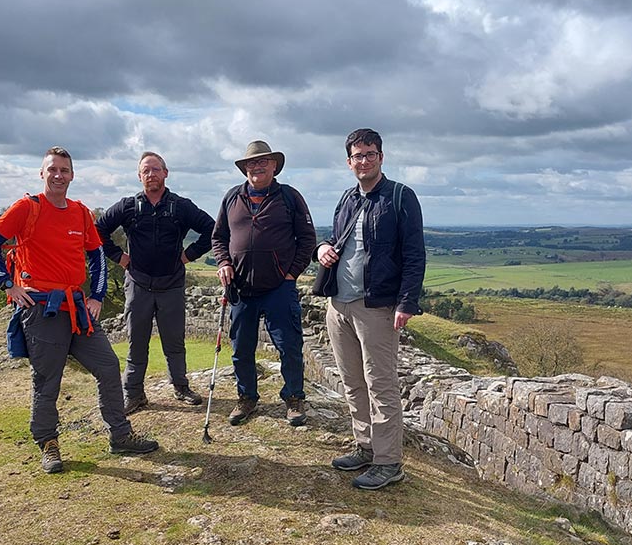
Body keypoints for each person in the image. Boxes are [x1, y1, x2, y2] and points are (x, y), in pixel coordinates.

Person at [0, 146, 159, 474]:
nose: (58, 175)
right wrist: (8, 285)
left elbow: (97, 255)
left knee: (107, 365)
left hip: (77, 306)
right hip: (41, 309)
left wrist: (98, 295)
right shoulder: (27, 208)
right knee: (48, 379)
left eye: (64, 170)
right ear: (42, 173)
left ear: (72, 175)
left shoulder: (79, 212)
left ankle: (120, 436)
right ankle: (48, 444)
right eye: (53, 170)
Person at [316, 128, 426, 490]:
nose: (363, 160)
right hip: (339, 304)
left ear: (381, 157)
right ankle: (365, 446)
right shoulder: (348, 198)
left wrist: (407, 302)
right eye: (357, 155)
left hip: (376, 307)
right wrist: (323, 248)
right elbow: (337, 239)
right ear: (349, 162)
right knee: (352, 381)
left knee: (381, 383)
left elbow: (414, 254)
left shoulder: (400, 197)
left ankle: (388, 461)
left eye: (370, 154)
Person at [95, 151, 216, 414]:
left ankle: (181, 387)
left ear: (165, 173)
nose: (151, 174)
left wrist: (188, 255)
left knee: (174, 341)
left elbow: (211, 229)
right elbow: (98, 230)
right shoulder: (128, 206)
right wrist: (119, 257)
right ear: (139, 176)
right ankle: (134, 394)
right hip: (138, 284)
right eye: (146, 171)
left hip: (171, 284)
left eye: (156, 169)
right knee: (136, 341)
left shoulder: (181, 206)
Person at [212, 140, 316, 427]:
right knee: (241, 348)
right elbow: (218, 238)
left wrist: (291, 274)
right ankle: (246, 398)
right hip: (242, 289)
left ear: (274, 166)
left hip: (279, 288)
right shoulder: (232, 197)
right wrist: (223, 263)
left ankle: (294, 398)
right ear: (245, 168)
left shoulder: (289, 197)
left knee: (289, 346)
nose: (256, 166)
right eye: (251, 163)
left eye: (263, 161)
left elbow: (307, 240)